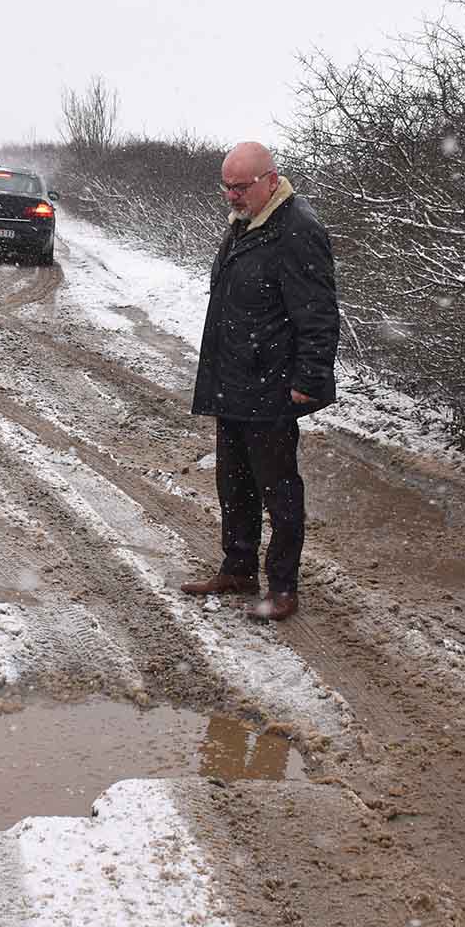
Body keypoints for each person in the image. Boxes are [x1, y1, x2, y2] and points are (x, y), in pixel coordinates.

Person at [180, 142, 340, 620]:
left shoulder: (297, 230)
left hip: (270, 385)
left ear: (271, 180)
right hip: (234, 379)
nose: (231, 195)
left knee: (279, 491)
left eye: (240, 186)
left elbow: (318, 313)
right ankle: (238, 568)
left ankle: (283, 587)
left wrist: (309, 377)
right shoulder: (246, 223)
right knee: (234, 484)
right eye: (226, 187)